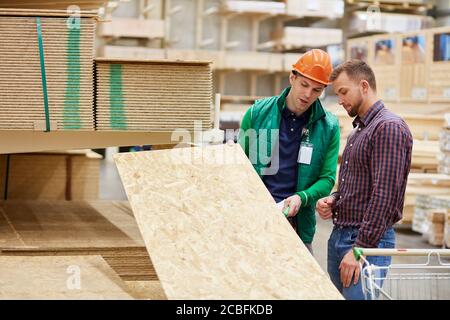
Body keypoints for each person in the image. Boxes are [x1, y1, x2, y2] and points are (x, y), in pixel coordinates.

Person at [316, 59, 413, 299]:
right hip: (342, 236)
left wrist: (360, 249)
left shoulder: (388, 127)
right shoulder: (360, 130)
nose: (340, 100)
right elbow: (361, 186)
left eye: (343, 92)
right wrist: (335, 200)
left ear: (364, 86)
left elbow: (385, 196)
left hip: (366, 242)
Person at [238, 49, 340, 254]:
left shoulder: (328, 126)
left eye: (316, 90)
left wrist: (301, 197)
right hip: (255, 219)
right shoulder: (257, 114)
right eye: (304, 85)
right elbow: (238, 166)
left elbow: (327, 179)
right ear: (292, 77)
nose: (308, 94)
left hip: (297, 225)